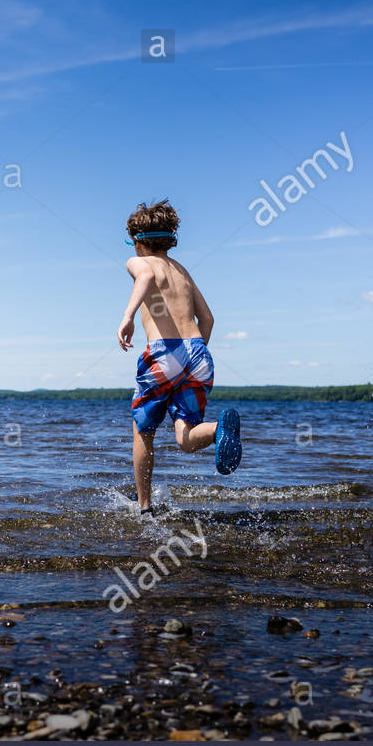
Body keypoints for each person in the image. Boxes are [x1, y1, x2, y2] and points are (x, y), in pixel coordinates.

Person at [116, 199, 240, 513]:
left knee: (143, 431)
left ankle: (144, 508)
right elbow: (208, 319)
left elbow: (144, 278)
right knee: (185, 438)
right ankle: (217, 429)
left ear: (138, 242)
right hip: (198, 354)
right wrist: (191, 359)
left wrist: (127, 318)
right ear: (170, 238)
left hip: (163, 353)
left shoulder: (139, 262)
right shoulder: (183, 271)